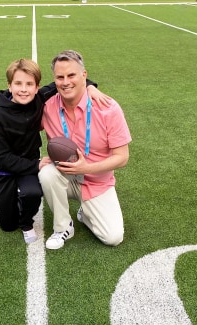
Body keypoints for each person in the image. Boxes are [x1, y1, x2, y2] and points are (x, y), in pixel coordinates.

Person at [0, 59, 109, 244]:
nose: (23, 89)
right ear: (9, 86)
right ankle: (13, 204)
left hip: (28, 165)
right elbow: (3, 158)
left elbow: (66, 82)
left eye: (29, 84)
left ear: (37, 88)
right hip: (4, 170)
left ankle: (26, 222)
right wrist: (36, 165)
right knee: (8, 225)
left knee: (33, 193)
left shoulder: (39, 98)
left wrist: (90, 87)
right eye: (18, 84)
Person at [38, 50, 131, 250]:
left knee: (113, 237)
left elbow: (122, 158)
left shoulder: (108, 108)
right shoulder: (47, 107)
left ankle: (85, 213)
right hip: (66, 175)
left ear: (84, 75)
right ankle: (64, 226)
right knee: (46, 173)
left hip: (98, 181)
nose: (65, 82)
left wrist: (86, 167)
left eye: (71, 75)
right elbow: (20, 119)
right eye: (60, 77)